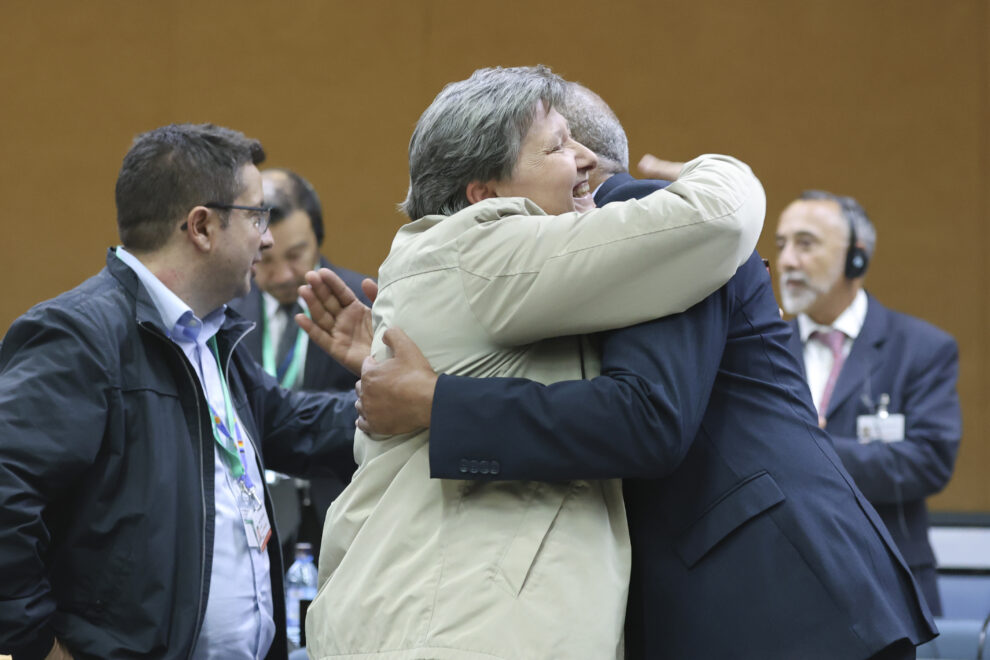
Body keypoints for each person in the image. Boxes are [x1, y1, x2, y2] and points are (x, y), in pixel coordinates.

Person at [305, 83, 937, 658]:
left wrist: (439, 400)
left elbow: (646, 417)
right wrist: (404, 363)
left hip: (778, 590)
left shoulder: (648, 221)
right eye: (556, 147)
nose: (575, 159)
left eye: (571, 144)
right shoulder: (548, 261)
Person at [0, 123, 357, 660]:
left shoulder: (212, 336)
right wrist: (37, 647)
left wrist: (395, 390)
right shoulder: (79, 336)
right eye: (256, 215)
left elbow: (291, 423)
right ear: (202, 227)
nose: (266, 238)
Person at [776, 190, 961, 615]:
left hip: (888, 583)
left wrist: (808, 453)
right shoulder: (759, 349)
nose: (786, 261)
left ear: (856, 259)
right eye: (782, 244)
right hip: (786, 583)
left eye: (806, 244)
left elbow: (928, 459)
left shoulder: (920, 348)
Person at [229, 168, 371, 562]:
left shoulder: (365, 302)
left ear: (318, 239)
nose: (284, 275)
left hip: (342, 508)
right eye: (266, 260)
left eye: (296, 255)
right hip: (254, 515)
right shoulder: (224, 317)